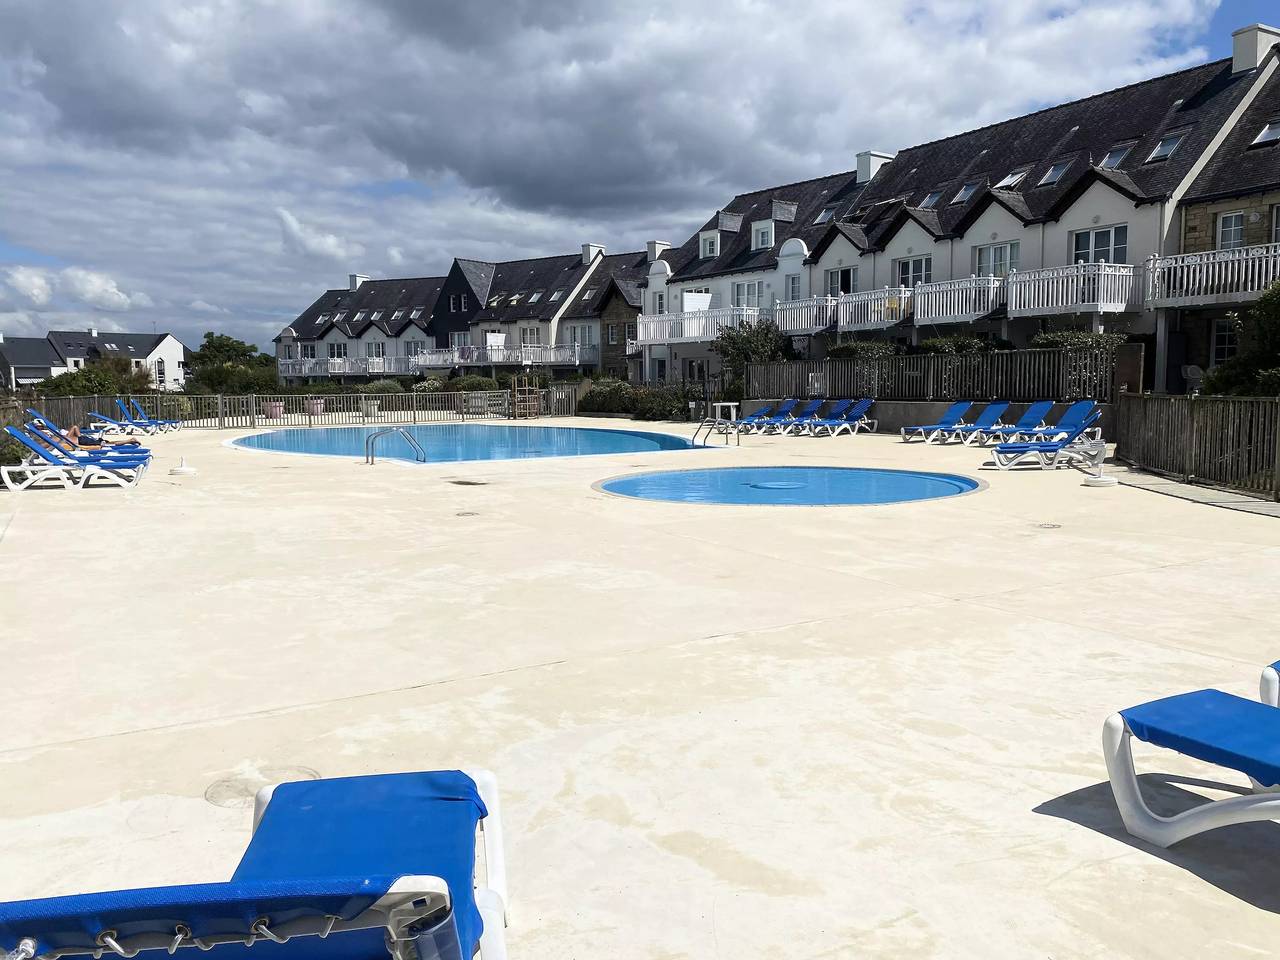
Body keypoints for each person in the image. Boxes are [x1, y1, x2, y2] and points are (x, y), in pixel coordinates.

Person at [63, 425, 140, 449]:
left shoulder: (64, 440)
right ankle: (129, 440)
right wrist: (79, 436)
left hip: (84, 441)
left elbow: (74, 427)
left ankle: (130, 440)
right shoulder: (66, 438)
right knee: (109, 443)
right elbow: (75, 427)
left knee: (109, 444)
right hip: (83, 439)